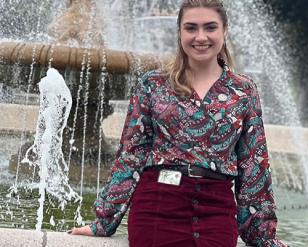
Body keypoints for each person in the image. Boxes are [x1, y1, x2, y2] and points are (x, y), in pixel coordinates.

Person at [70, 0, 288, 246]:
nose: (201, 37)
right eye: (191, 28)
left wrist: (262, 236)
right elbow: (131, 154)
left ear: (224, 31)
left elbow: (254, 164)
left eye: (210, 27)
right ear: (180, 32)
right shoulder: (153, 84)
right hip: (158, 205)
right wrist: (104, 221)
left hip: (216, 212)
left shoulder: (243, 91)